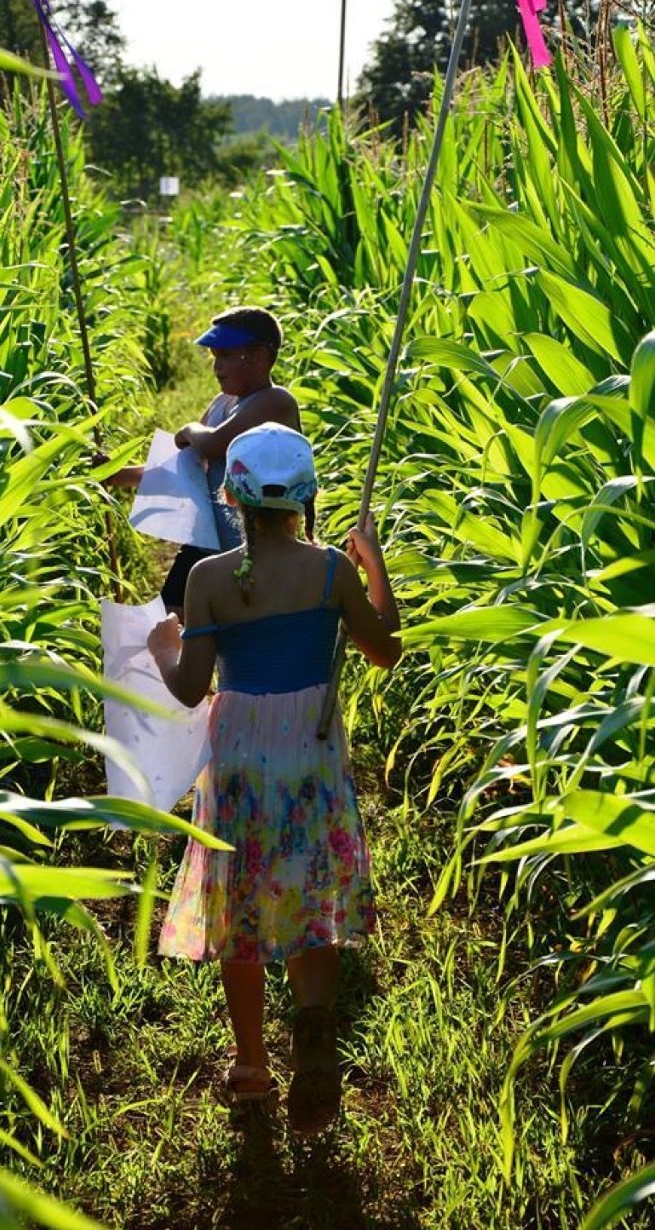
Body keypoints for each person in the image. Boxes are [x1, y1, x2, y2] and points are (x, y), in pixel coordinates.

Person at [147, 423, 401, 1135]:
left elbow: (192, 688)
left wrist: (164, 647)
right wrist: (373, 565)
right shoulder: (330, 572)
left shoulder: (208, 579)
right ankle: (314, 1028)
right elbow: (385, 648)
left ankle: (253, 1065)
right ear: (308, 496)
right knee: (310, 889)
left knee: (243, 909)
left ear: (230, 494)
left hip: (240, 756)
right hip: (311, 752)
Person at [107, 305, 309, 615]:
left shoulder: (275, 401)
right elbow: (184, 467)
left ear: (257, 355)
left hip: (259, 547)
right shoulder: (222, 404)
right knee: (169, 619)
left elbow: (213, 445)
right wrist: (115, 474)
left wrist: (190, 430)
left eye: (226, 356)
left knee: (238, 630)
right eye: (215, 357)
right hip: (209, 542)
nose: (217, 367)